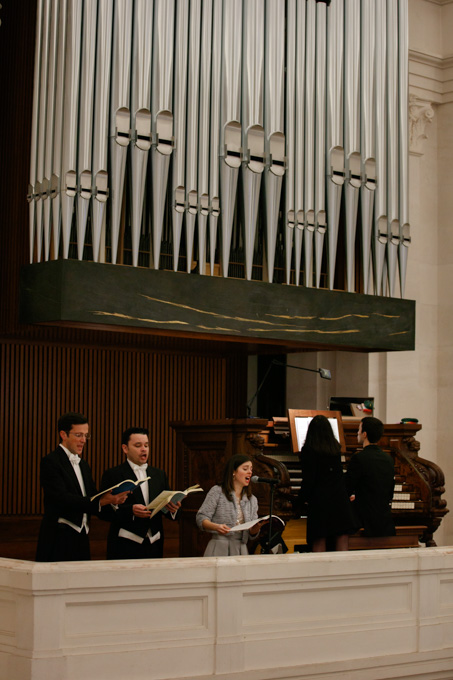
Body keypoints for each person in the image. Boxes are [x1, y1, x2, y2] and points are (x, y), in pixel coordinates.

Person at [36, 412, 129, 562]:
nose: (84, 440)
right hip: (58, 539)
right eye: (79, 435)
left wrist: (113, 501)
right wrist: (100, 501)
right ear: (63, 435)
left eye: (86, 435)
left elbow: (92, 498)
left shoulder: (84, 465)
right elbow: (61, 498)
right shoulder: (51, 462)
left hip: (82, 538)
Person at [100, 427, 181, 559]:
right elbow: (103, 511)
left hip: (155, 543)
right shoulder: (113, 475)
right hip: (125, 543)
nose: (144, 449)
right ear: (125, 448)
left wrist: (173, 509)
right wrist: (130, 510)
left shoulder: (159, 474)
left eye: (146, 445)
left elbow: (166, 507)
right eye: (138, 445)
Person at [298, 415, 357, 552]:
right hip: (339, 499)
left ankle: (320, 566)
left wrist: (299, 501)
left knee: (319, 538)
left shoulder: (309, 450)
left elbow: (309, 480)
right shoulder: (335, 449)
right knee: (342, 537)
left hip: (320, 501)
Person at [196, 454, 262, 556]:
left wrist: (256, 529)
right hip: (219, 546)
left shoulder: (252, 500)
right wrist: (216, 527)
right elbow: (201, 518)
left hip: (240, 548)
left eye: (251, 469)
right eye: (245, 469)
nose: (250, 472)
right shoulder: (217, 491)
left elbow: (251, 534)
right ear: (233, 472)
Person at [345, 416, 396, 537]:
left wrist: (357, 497)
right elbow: (388, 493)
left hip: (365, 520)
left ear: (365, 434)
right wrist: (360, 496)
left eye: (359, 429)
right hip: (384, 519)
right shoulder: (388, 459)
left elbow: (346, 488)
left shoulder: (359, 458)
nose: (357, 433)